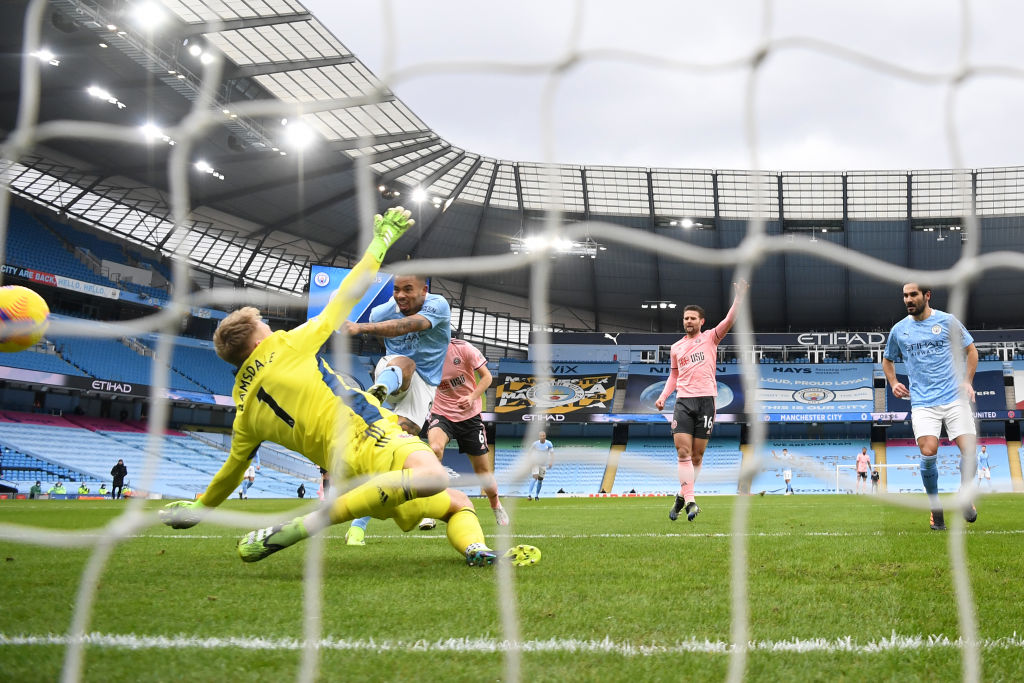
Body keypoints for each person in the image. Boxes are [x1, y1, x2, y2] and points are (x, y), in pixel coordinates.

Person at [158, 208, 538, 568]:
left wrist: (199, 509)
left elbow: (230, 472)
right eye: (267, 332)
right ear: (259, 344)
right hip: (369, 434)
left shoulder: (244, 414)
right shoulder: (287, 346)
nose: (273, 333)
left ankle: (476, 549)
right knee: (435, 476)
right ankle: (307, 524)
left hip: (347, 478)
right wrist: (381, 242)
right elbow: (346, 295)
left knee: (455, 502)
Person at [343, 261, 452, 535]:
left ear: (424, 290)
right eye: (396, 290)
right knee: (404, 362)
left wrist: (361, 328)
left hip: (426, 384)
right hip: (393, 368)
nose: (400, 295)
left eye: (407, 289)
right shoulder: (382, 312)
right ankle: (376, 394)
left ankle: (359, 524)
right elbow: (388, 338)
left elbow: (408, 326)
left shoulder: (438, 305)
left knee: (400, 442)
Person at [883, 282, 978, 531]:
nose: (908, 299)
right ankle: (936, 510)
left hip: (954, 398)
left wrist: (968, 382)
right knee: (928, 452)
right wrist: (893, 383)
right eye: (904, 295)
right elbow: (887, 359)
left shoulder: (948, 321)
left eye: (913, 294)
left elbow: (971, 350)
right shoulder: (899, 330)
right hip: (923, 402)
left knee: (970, 452)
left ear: (927, 295)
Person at [656, 280, 749, 522]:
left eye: (693, 318)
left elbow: (729, 321)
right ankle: (691, 501)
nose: (688, 321)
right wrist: (664, 396)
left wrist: (738, 297)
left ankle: (680, 497)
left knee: (697, 457)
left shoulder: (711, 338)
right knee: (683, 452)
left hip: (707, 401)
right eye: (686, 318)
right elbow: (674, 375)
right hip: (683, 402)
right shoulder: (676, 348)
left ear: (701, 322)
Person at [426, 339, 507, 525]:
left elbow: (487, 377)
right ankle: (430, 507)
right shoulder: (426, 352)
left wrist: (471, 396)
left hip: (470, 417)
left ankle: (496, 505)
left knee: (483, 473)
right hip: (442, 412)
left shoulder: (464, 349)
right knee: (435, 449)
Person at [526, 432, 554, 500]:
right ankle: (529, 495)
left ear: (545, 436)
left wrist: (551, 462)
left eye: (543, 435)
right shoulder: (535, 444)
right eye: (541, 436)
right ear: (539, 437)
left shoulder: (549, 443)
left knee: (540, 480)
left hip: (543, 464)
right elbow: (529, 452)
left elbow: (552, 453)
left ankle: (536, 496)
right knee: (535, 477)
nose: (542, 437)